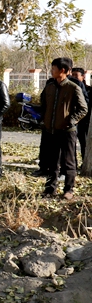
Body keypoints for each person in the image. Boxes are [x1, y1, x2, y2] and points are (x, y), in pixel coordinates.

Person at [38, 57, 88, 199]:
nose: (52, 71)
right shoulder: (49, 87)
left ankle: (69, 190)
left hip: (67, 131)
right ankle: (50, 189)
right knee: (52, 161)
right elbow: (43, 105)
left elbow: (83, 109)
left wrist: (71, 121)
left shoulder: (73, 88)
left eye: (54, 68)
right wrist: (44, 120)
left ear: (63, 70)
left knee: (68, 161)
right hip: (51, 130)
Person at [71, 67, 91, 161]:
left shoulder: (89, 90)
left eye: (76, 75)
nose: (74, 77)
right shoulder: (69, 89)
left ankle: (85, 161)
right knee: (71, 144)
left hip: (85, 121)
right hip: (72, 121)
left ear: (83, 77)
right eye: (72, 75)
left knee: (84, 143)